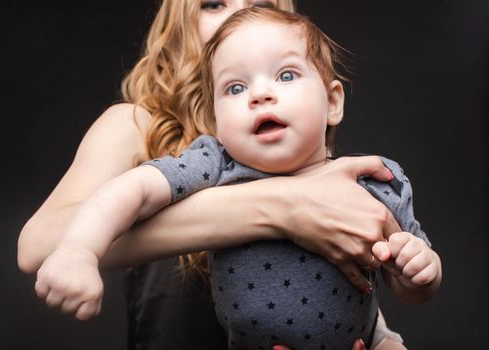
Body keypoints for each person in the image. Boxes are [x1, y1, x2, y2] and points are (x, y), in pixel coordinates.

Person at [32, 6, 442, 350]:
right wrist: (284, 207)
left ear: (331, 101)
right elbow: (38, 247)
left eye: (260, 0)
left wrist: (386, 327)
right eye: (214, 3)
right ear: (178, 21)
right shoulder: (152, 132)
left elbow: (356, 279)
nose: (241, 11)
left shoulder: (300, 148)